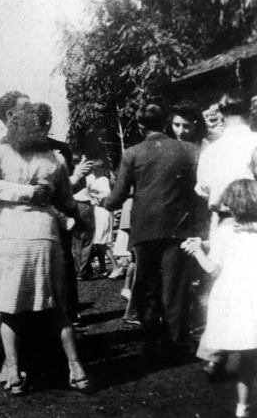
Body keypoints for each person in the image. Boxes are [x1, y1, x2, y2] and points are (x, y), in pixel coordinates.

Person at [0, 102, 92, 394]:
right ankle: (77, 368)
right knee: (56, 307)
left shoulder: (0, 151)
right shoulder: (54, 159)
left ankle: (13, 373)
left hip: (9, 234)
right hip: (44, 235)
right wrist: (71, 216)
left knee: (9, 308)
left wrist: (18, 192)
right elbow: (66, 199)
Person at [104, 103, 197, 364]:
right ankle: (177, 345)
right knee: (176, 288)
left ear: (141, 126)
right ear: (166, 123)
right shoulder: (187, 149)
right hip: (178, 228)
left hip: (144, 229)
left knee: (147, 287)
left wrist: (104, 203)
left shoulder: (132, 153)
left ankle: (151, 342)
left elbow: (119, 194)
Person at [181, 179, 257, 418]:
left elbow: (212, 268)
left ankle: (242, 407)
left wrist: (197, 251)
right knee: (250, 356)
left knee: (240, 346)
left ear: (231, 204)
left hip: (232, 295)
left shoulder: (225, 231)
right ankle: (243, 406)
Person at [194, 92, 257, 377]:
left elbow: (203, 189)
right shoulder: (255, 141)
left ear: (222, 112)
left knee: (222, 287)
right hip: (254, 220)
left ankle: (216, 351)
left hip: (224, 222)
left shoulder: (212, 150)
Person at [85, 160, 119, 278]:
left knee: (101, 242)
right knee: (98, 241)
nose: (94, 170)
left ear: (102, 169)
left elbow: (107, 194)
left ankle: (116, 266)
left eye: (97, 168)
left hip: (103, 212)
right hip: (99, 212)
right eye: (93, 168)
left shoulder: (103, 180)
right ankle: (103, 268)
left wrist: (92, 195)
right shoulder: (96, 179)